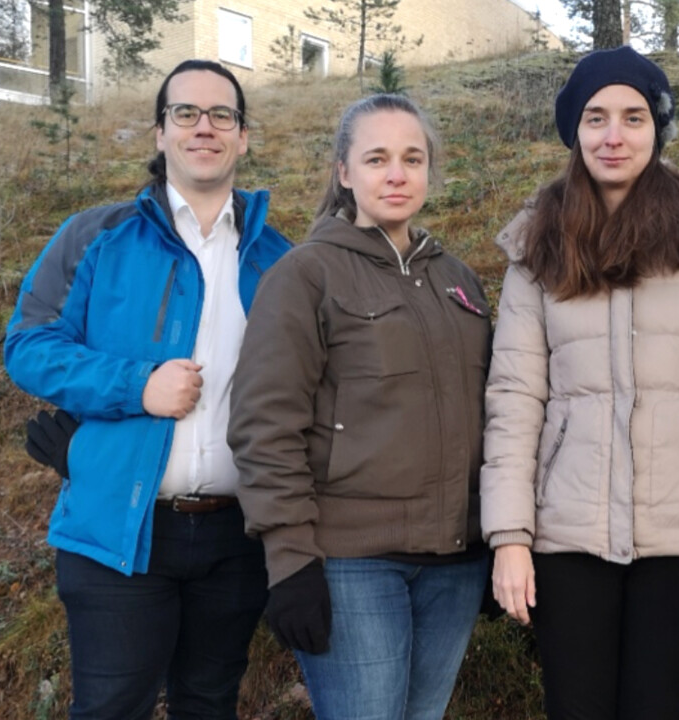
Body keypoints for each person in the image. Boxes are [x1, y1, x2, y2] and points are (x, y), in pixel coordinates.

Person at [483, 46, 679, 720]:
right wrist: (511, 539)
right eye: (596, 118)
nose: (614, 136)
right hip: (566, 539)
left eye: (633, 118)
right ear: (573, 131)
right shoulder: (536, 248)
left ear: (657, 127)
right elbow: (514, 400)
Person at [4, 59, 293, 719]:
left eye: (222, 115)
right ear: (161, 134)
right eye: (184, 113)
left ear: (243, 136)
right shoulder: (95, 236)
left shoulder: (282, 259)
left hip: (237, 538)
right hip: (119, 532)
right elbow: (29, 348)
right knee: (112, 707)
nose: (204, 127)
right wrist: (137, 385)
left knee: (209, 704)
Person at [227, 93, 491, 720]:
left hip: (454, 566)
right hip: (351, 564)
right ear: (344, 171)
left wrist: (494, 532)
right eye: (376, 158)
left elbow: (489, 415)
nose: (396, 174)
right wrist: (290, 561)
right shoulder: (305, 275)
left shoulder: (458, 281)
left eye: (411, 158)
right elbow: (266, 425)